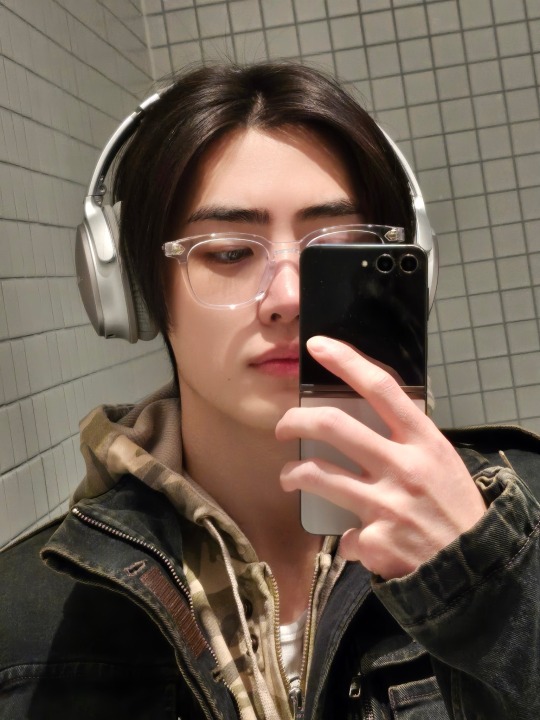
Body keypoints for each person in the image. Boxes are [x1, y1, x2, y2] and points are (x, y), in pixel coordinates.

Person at [1, 61, 540, 720]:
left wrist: (492, 592)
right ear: (136, 294)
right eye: (229, 253)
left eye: (338, 246)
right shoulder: (26, 624)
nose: (289, 296)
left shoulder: (526, 528)